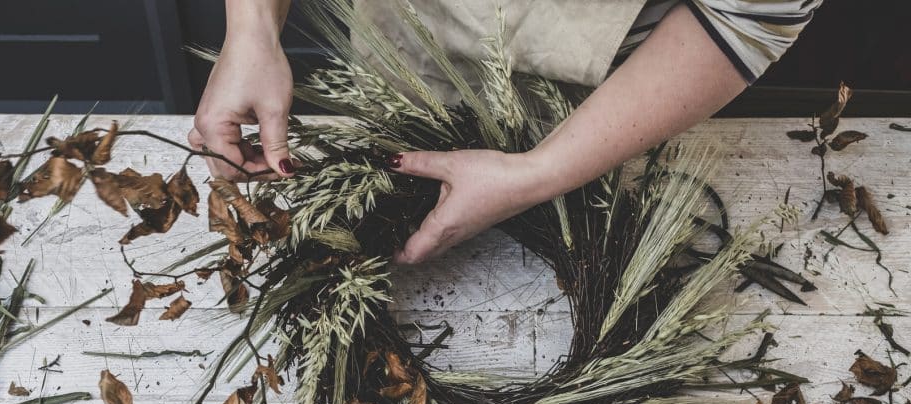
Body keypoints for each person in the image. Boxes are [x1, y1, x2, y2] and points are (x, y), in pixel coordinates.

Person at [189, 0, 822, 265]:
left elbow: (746, 13)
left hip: (605, 107)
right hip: (407, 50)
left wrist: (538, 172)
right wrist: (249, 29)